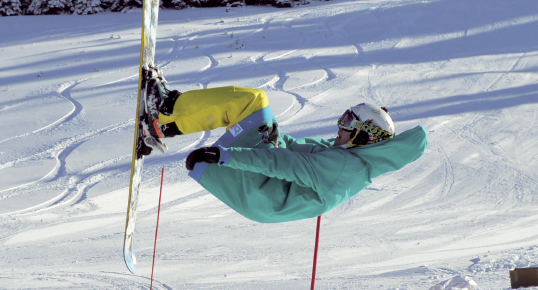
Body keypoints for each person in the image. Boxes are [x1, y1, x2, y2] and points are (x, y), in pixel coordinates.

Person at [140, 69, 428, 223]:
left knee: (252, 102)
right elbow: (291, 149)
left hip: (262, 187)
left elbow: (283, 164)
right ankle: (160, 126)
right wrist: (276, 135)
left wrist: (224, 155)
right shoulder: (348, 159)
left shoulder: (343, 166)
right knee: (257, 113)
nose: (340, 125)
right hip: (264, 194)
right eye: (344, 116)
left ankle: (165, 106)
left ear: (363, 136)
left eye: (348, 121)